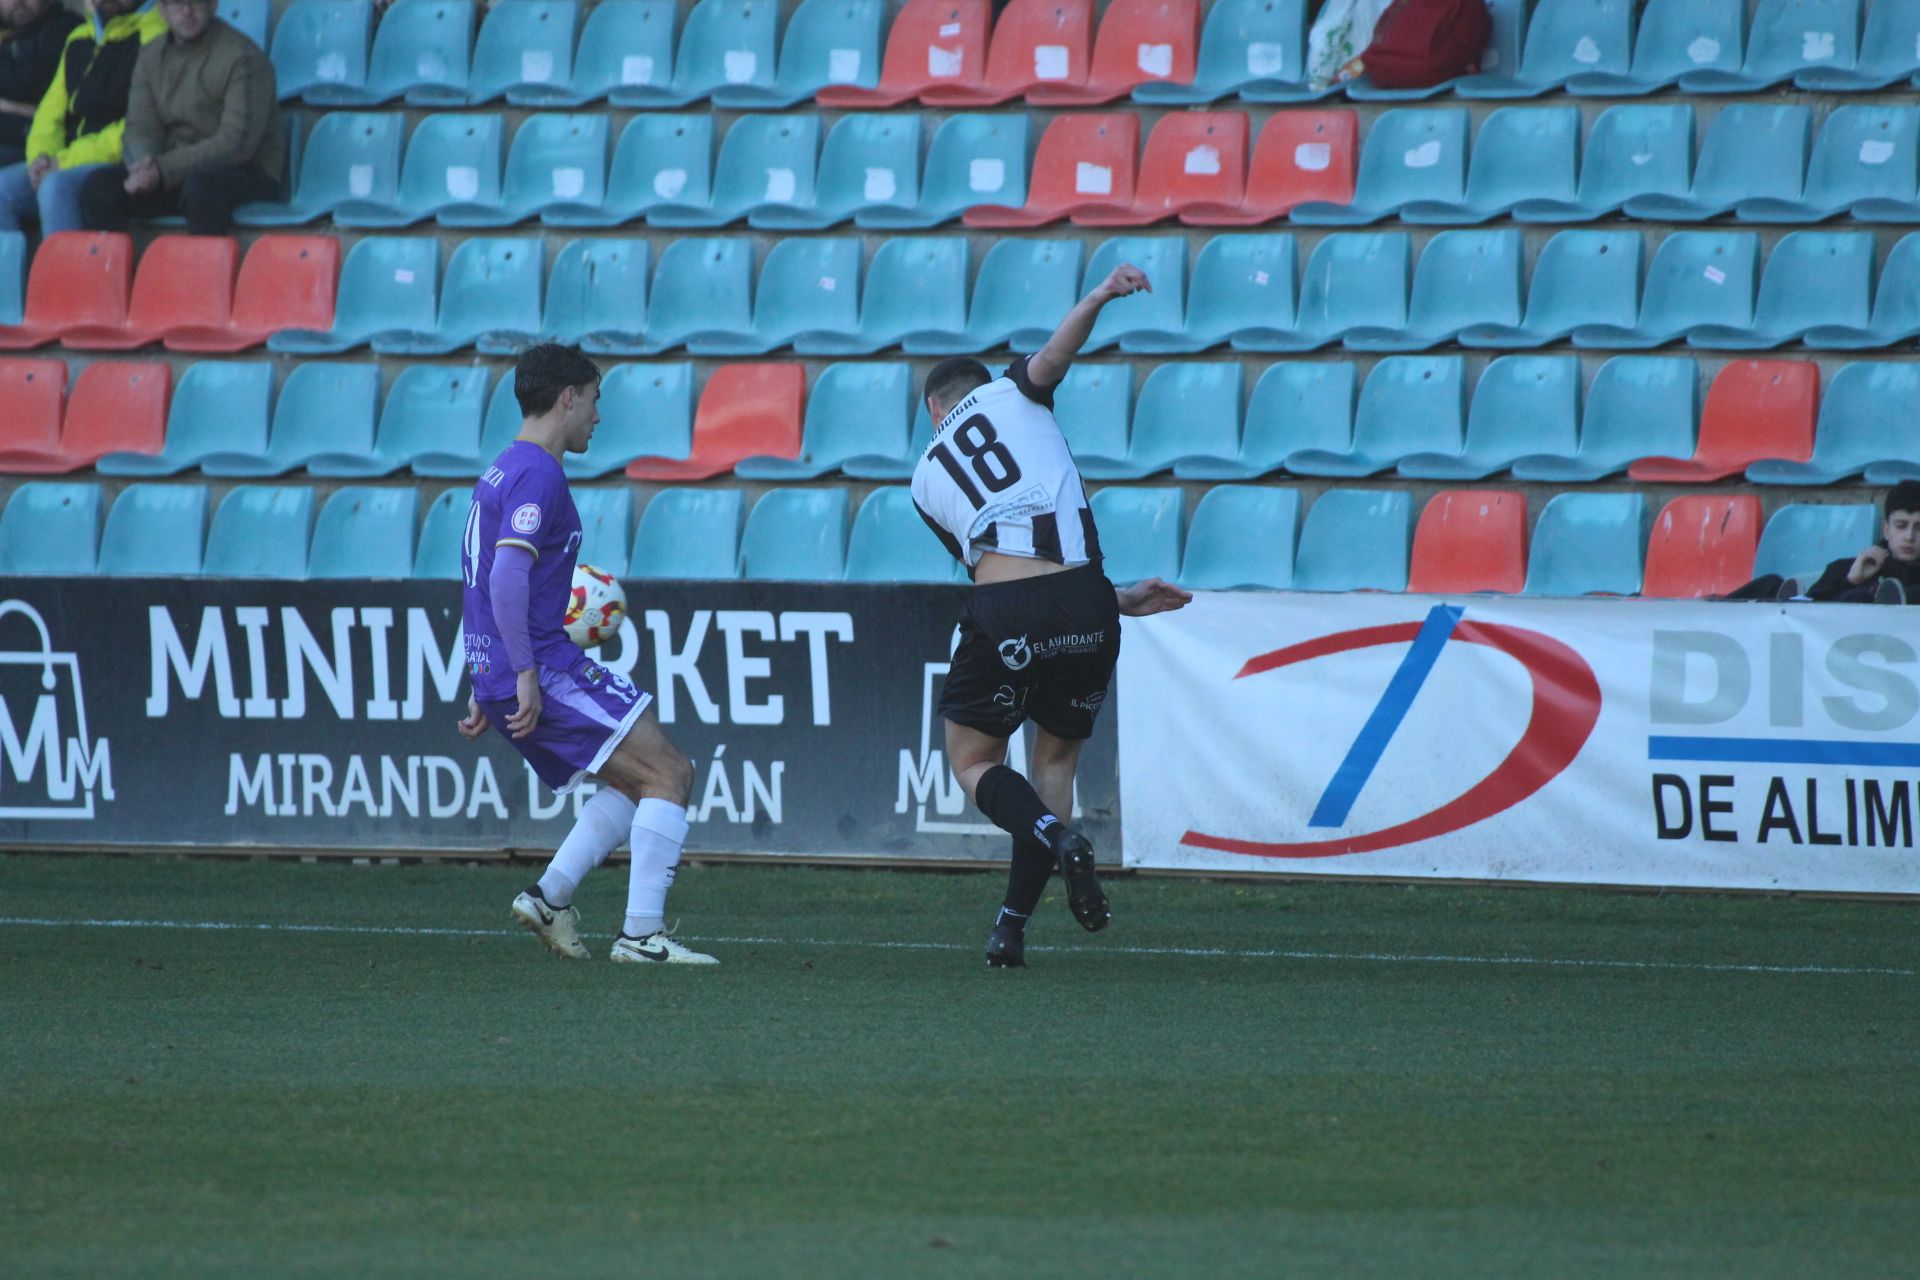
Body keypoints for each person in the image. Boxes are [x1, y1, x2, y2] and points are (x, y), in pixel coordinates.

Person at [910, 263, 1193, 970]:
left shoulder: (923, 477)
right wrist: (1098, 296)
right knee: (1056, 761)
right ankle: (1012, 924)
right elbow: (1056, 355)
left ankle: (1050, 838)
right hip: (1090, 601)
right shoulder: (1015, 394)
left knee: (974, 759)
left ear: (938, 410)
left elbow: (993, 563)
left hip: (1007, 609)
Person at [456, 343, 718, 967]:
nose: (598, 416)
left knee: (636, 780)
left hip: (508, 665)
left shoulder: (500, 469)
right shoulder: (538, 474)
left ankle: (550, 897)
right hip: (542, 665)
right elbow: (505, 578)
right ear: (568, 397)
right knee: (670, 773)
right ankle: (642, 935)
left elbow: (480, 572)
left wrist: (486, 674)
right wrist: (520, 671)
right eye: (595, 400)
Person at [78, 0, 281, 235]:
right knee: (99, 187)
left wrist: (162, 170)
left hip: (246, 172)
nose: (186, 11)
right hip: (175, 173)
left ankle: (204, 271)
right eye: (176, 3)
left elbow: (236, 145)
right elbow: (141, 127)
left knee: (202, 189)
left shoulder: (243, 57)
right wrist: (143, 166)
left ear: (213, 5)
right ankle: (115, 270)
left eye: (196, 2)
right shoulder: (150, 56)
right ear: (162, 10)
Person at [0, 0, 164, 234]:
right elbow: (49, 114)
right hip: (64, 160)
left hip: (121, 161)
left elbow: (142, 127)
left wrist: (63, 162)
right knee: (2, 189)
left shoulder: (159, 37)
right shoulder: (80, 36)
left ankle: (65, 271)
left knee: (55, 187)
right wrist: (40, 157)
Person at [0, 0, 80, 170]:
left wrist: (8, 106)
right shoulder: (13, 34)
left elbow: (24, 84)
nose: (18, 2)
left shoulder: (65, 30)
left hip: (36, 144)